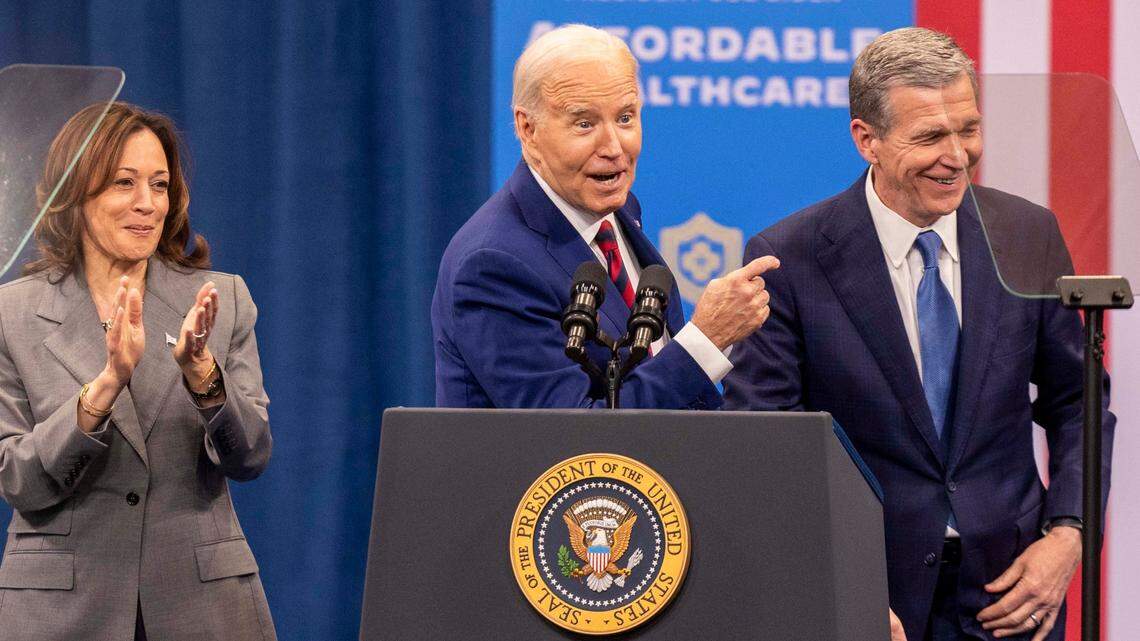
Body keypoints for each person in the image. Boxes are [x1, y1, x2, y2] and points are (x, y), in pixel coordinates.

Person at [723, 28, 1113, 641]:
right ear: (867, 140)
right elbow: (769, 447)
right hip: (871, 597)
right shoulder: (791, 257)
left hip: (1012, 594)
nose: (957, 155)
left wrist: (1069, 532)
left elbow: (1079, 402)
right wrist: (831, 586)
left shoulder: (1027, 233)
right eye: (930, 136)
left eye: (968, 129)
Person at [0, 102, 275, 640]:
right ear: (75, 193)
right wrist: (100, 392)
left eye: (160, 184)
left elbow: (252, 456)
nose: (147, 204)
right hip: (63, 613)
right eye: (124, 183)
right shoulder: (12, 315)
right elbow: (17, 478)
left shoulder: (221, 300)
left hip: (201, 608)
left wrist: (204, 377)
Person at [433, 24, 778, 409]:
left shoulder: (617, 211)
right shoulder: (493, 263)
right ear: (527, 128)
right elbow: (573, 440)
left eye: (626, 118)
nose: (614, 146)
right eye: (585, 124)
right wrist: (704, 341)